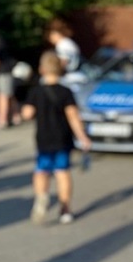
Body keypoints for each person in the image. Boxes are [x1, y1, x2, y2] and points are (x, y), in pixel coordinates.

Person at [20, 51, 91, 225]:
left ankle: (41, 198)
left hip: (43, 138)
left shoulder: (36, 91)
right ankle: (65, 209)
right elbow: (73, 116)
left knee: (41, 170)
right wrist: (83, 137)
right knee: (62, 172)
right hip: (62, 138)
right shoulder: (66, 92)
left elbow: (27, 114)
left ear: (42, 69)